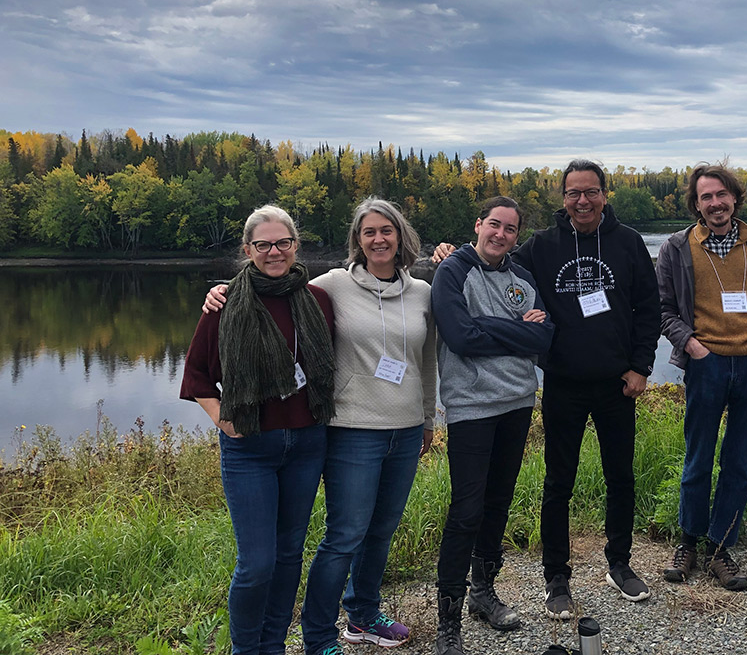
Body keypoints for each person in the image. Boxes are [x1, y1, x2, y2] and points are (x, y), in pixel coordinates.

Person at [204, 197, 437, 655]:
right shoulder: (331, 285)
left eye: (386, 231)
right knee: (345, 535)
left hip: (407, 428)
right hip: (351, 428)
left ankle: (364, 615)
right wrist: (221, 291)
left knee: (382, 529)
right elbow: (269, 285)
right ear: (357, 240)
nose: (378, 239)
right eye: (368, 232)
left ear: (400, 236)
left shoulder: (423, 293)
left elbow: (426, 363)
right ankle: (319, 636)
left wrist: (428, 417)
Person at [433, 159, 661, 617]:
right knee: (559, 483)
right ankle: (556, 577)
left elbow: (648, 307)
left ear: (604, 194)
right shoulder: (541, 246)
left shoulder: (629, 242)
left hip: (619, 383)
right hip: (562, 383)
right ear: (563, 198)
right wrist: (451, 253)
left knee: (621, 477)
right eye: (574, 192)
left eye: (591, 191)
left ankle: (620, 563)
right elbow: (491, 258)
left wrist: (641, 367)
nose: (583, 200)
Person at [181, 205, 336, 655]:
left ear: (295, 245)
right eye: (263, 244)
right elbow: (195, 376)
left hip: (308, 442)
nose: (274, 252)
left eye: (282, 242)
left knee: (289, 556)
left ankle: (273, 646)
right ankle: (246, 650)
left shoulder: (317, 299)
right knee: (257, 563)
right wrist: (221, 418)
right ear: (247, 250)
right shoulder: (225, 302)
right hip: (250, 447)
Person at [657, 164, 747, 591]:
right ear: (696, 204)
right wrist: (692, 345)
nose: (715, 203)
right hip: (707, 363)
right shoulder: (677, 247)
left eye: (721, 195)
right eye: (705, 197)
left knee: (740, 461)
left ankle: (720, 548)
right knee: (697, 458)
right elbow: (662, 309)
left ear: (734, 198)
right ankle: (688, 543)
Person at [431, 196, 554, 655]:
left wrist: (493, 326)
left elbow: (544, 335)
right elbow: (460, 337)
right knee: (466, 510)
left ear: (516, 237)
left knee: (498, 501)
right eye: (494, 225)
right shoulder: (452, 272)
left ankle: (484, 594)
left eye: (510, 229)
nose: (500, 234)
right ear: (478, 224)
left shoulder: (521, 277)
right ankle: (448, 622)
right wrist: (514, 329)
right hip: (471, 408)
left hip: (518, 403)